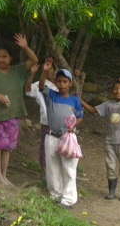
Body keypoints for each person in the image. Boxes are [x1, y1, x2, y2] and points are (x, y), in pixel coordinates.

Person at [0, 34, 38, 185]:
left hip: (12, 116)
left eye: (4, 56)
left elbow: (34, 61)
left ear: (11, 57)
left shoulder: (18, 71)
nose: (1, 60)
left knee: (6, 147)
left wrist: (25, 46)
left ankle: (4, 176)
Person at [80, 77, 120, 202]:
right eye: (115, 89)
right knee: (110, 166)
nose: (118, 91)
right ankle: (111, 191)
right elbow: (92, 110)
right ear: (112, 91)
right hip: (110, 141)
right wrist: (79, 100)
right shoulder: (108, 104)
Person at [38, 58, 83, 209]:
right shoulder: (51, 95)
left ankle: (68, 199)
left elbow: (80, 117)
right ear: (55, 83)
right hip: (51, 136)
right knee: (52, 167)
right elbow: (41, 85)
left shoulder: (75, 100)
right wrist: (45, 71)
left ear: (70, 83)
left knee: (69, 168)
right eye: (59, 81)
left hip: (68, 138)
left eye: (65, 81)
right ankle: (56, 195)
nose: (62, 84)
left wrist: (73, 126)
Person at [25, 60, 58, 180]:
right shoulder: (39, 85)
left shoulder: (60, 83)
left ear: (54, 69)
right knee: (45, 147)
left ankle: (56, 172)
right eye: (45, 69)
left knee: (59, 146)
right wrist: (32, 75)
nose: (48, 71)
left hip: (61, 122)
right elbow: (28, 90)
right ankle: (45, 172)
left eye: (50, 68)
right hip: (46, 121)